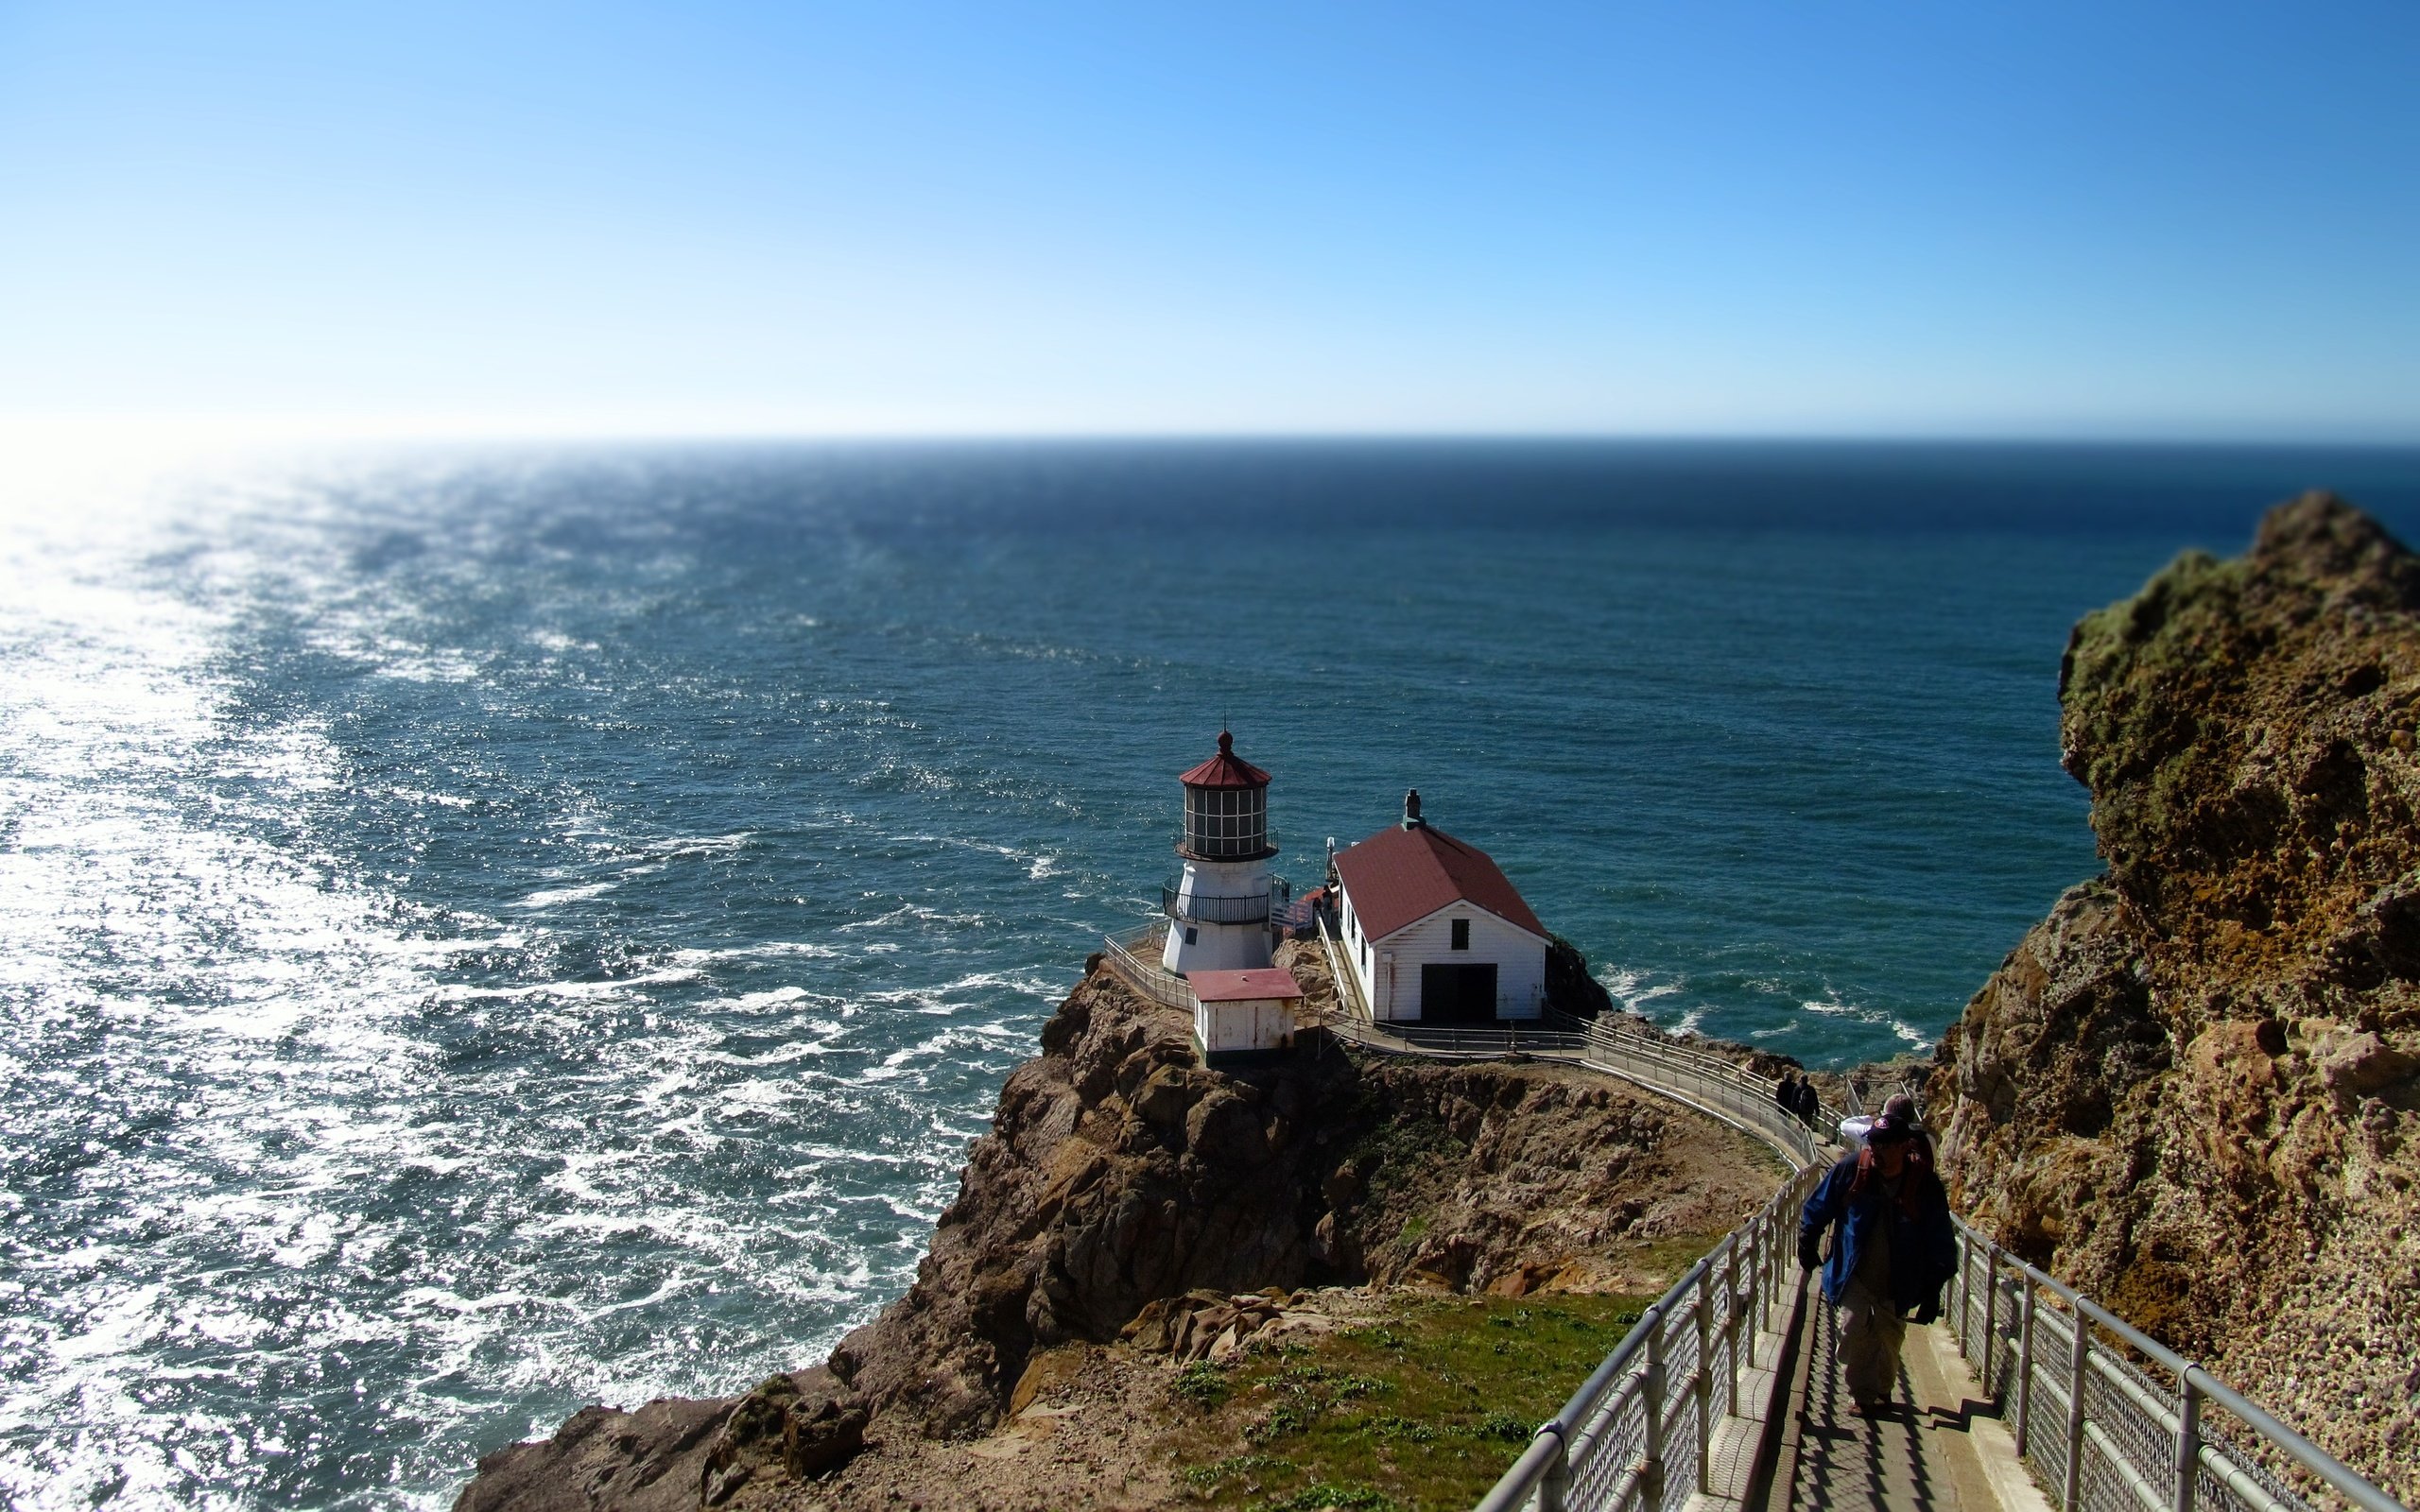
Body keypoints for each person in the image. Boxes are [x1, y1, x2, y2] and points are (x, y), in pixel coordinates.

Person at [1798, 1099, 1957, 1417]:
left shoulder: (1923, 1184)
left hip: (1900, 1276)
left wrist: (1933, 1288)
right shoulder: (1853, 1169)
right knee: (1854, 1328)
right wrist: (1807, 1238)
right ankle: (1862, 1394)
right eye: (1874, 1143)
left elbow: (1940, 1235)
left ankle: (1882, 1389)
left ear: (1903, 1146)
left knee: (1888, 1337)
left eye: (1885, 1145)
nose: (1878, 1151)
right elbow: (1820, 1203)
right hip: (1853, 1270)